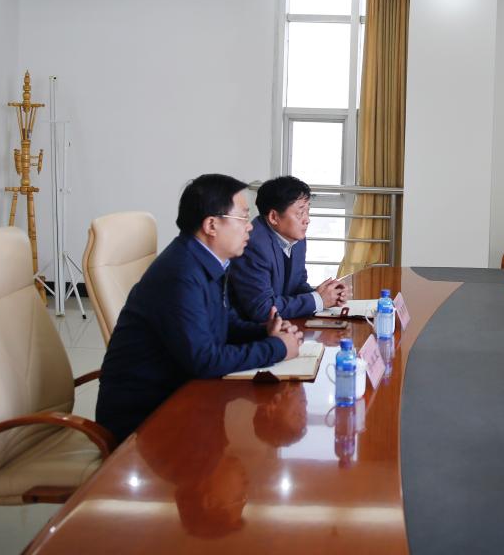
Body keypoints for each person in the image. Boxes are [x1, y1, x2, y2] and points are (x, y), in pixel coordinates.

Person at [96, 173, 303, 443]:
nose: (250, 228)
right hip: (144, 420)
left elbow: (225, 323)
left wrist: (265, 331)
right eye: (242, 218)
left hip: (180, 395)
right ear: (211, 225)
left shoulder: (208, 260)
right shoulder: (180, 274)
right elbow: (204, 360)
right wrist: (277, 348)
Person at [230, 175, 347, 321]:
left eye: (308, 211)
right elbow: (262, 309)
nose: (307, 220)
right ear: (274, 217)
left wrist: (326, 295)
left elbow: (297, 286)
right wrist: (317, 300)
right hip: (252, 329)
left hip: (283, 323)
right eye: (300, 213)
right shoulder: (252, 245)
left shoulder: (296, 239)